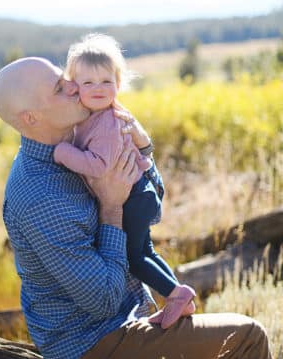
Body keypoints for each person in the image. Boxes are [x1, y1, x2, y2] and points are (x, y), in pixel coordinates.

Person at [0, 56, 283, 359]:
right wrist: (111, 207)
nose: (74, 87)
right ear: (30, 118)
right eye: (59, 88)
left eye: (66, 79)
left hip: (125, 316)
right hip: (94, 345)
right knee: (248, 339)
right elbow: (102, 300)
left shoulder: (86, 133)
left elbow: (152, 203)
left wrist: (142, 150)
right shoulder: (39, 195)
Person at [53, 33, 195, 329]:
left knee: (134, 259)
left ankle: (175, 294)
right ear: (72, 86)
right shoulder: (97, 117)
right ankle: (180, 298)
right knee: (145, 251)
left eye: (106, 81)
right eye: (88, 82)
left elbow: (99, 165)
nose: (98, 88)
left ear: (118, 84)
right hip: (140, 192)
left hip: (132, 197)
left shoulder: (106, 121)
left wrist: (64, 152)